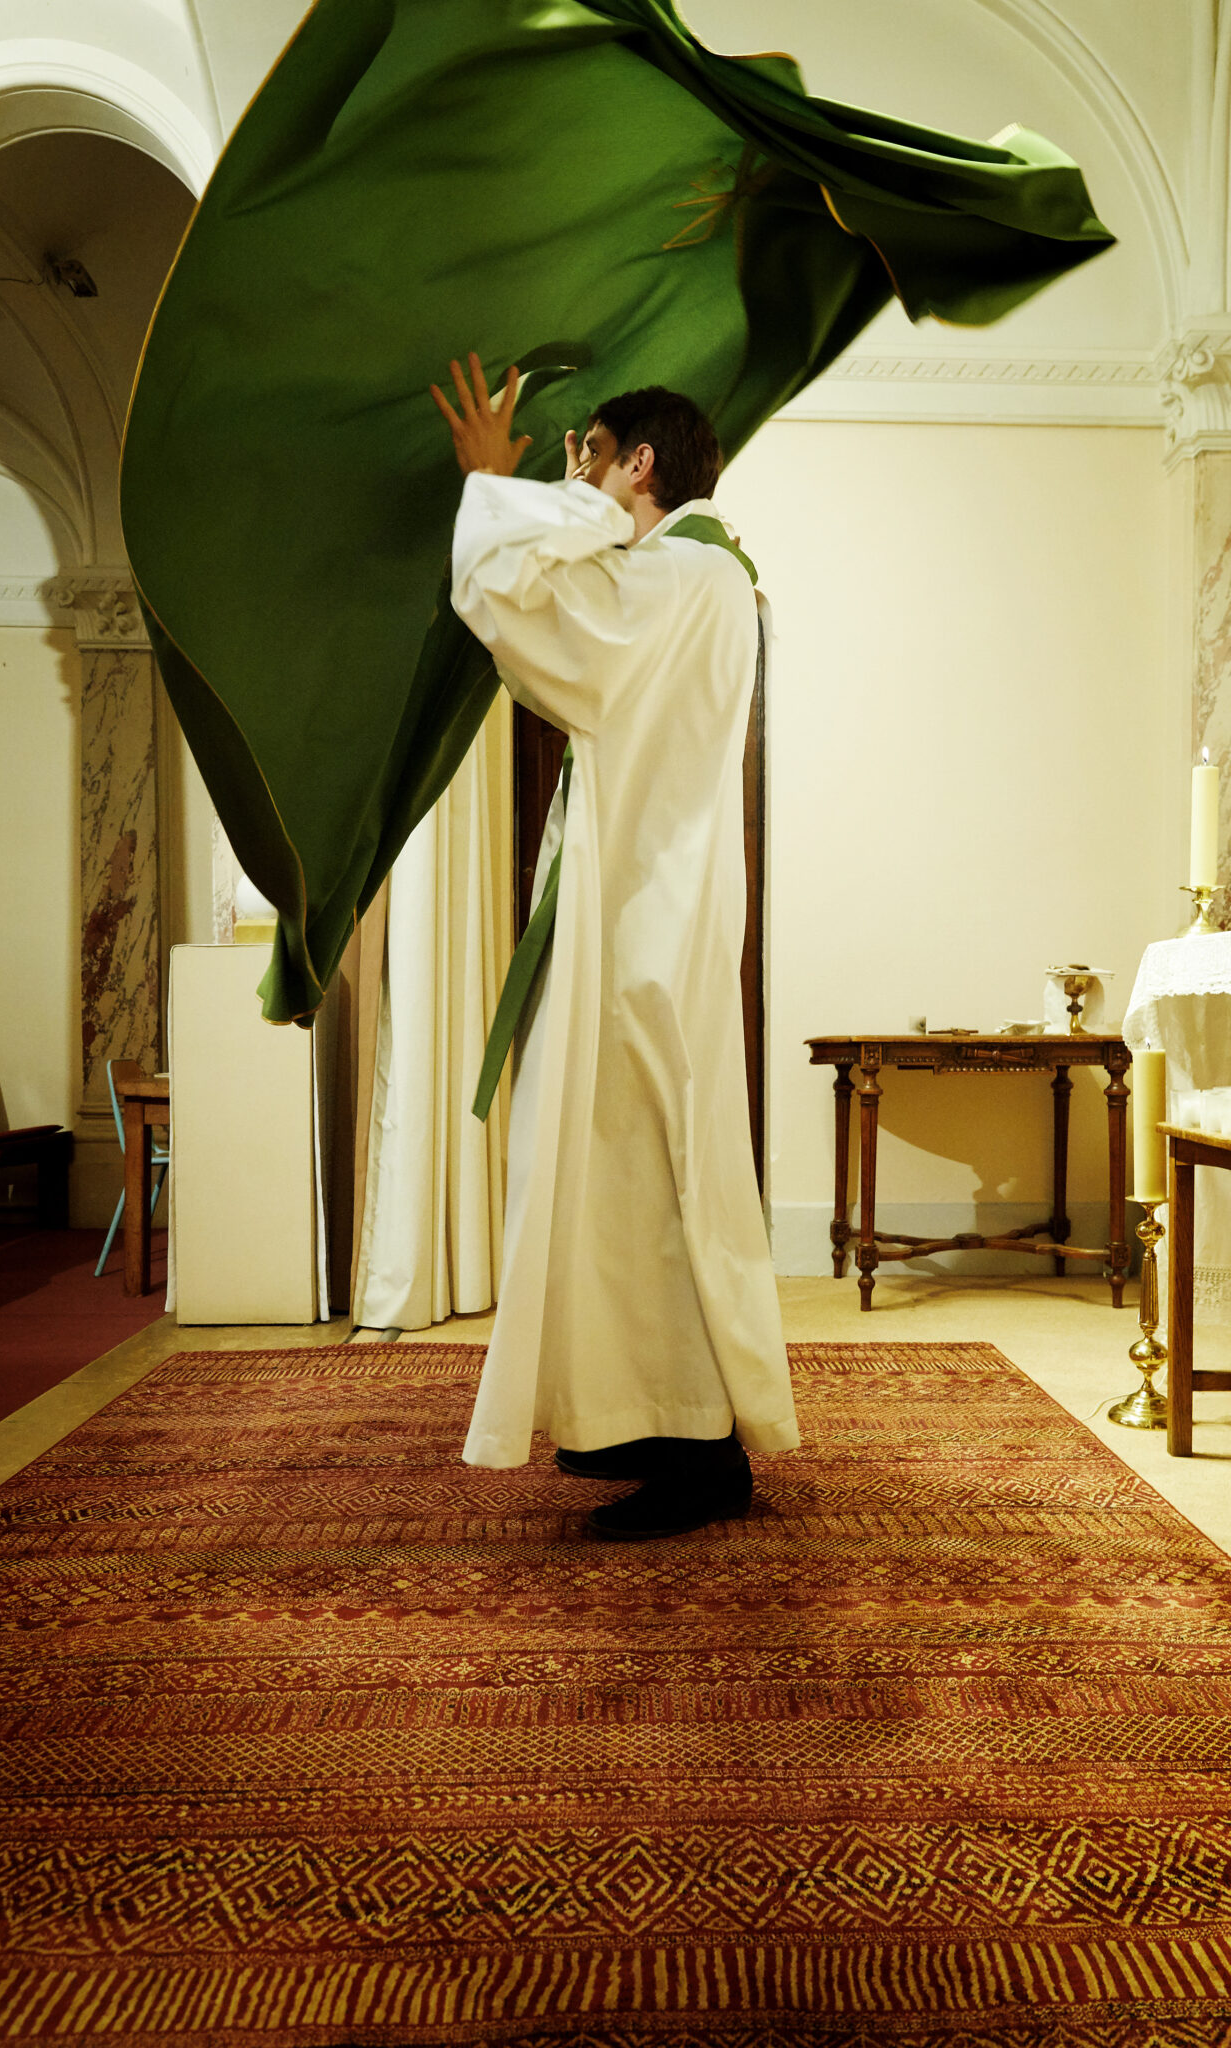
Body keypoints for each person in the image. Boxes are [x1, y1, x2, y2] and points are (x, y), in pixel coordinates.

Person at [431, 354, 799, 1539]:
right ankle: (668, 1434)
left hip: (647, 917)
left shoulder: (686, 572)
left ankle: (691, 1452)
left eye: (585, 454)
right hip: (650, 905)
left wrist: (491, 485)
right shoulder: (700, 575)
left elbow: (530, 618)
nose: (572, 474)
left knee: (640, 1172)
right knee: (634, 1170)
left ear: (637, 465)